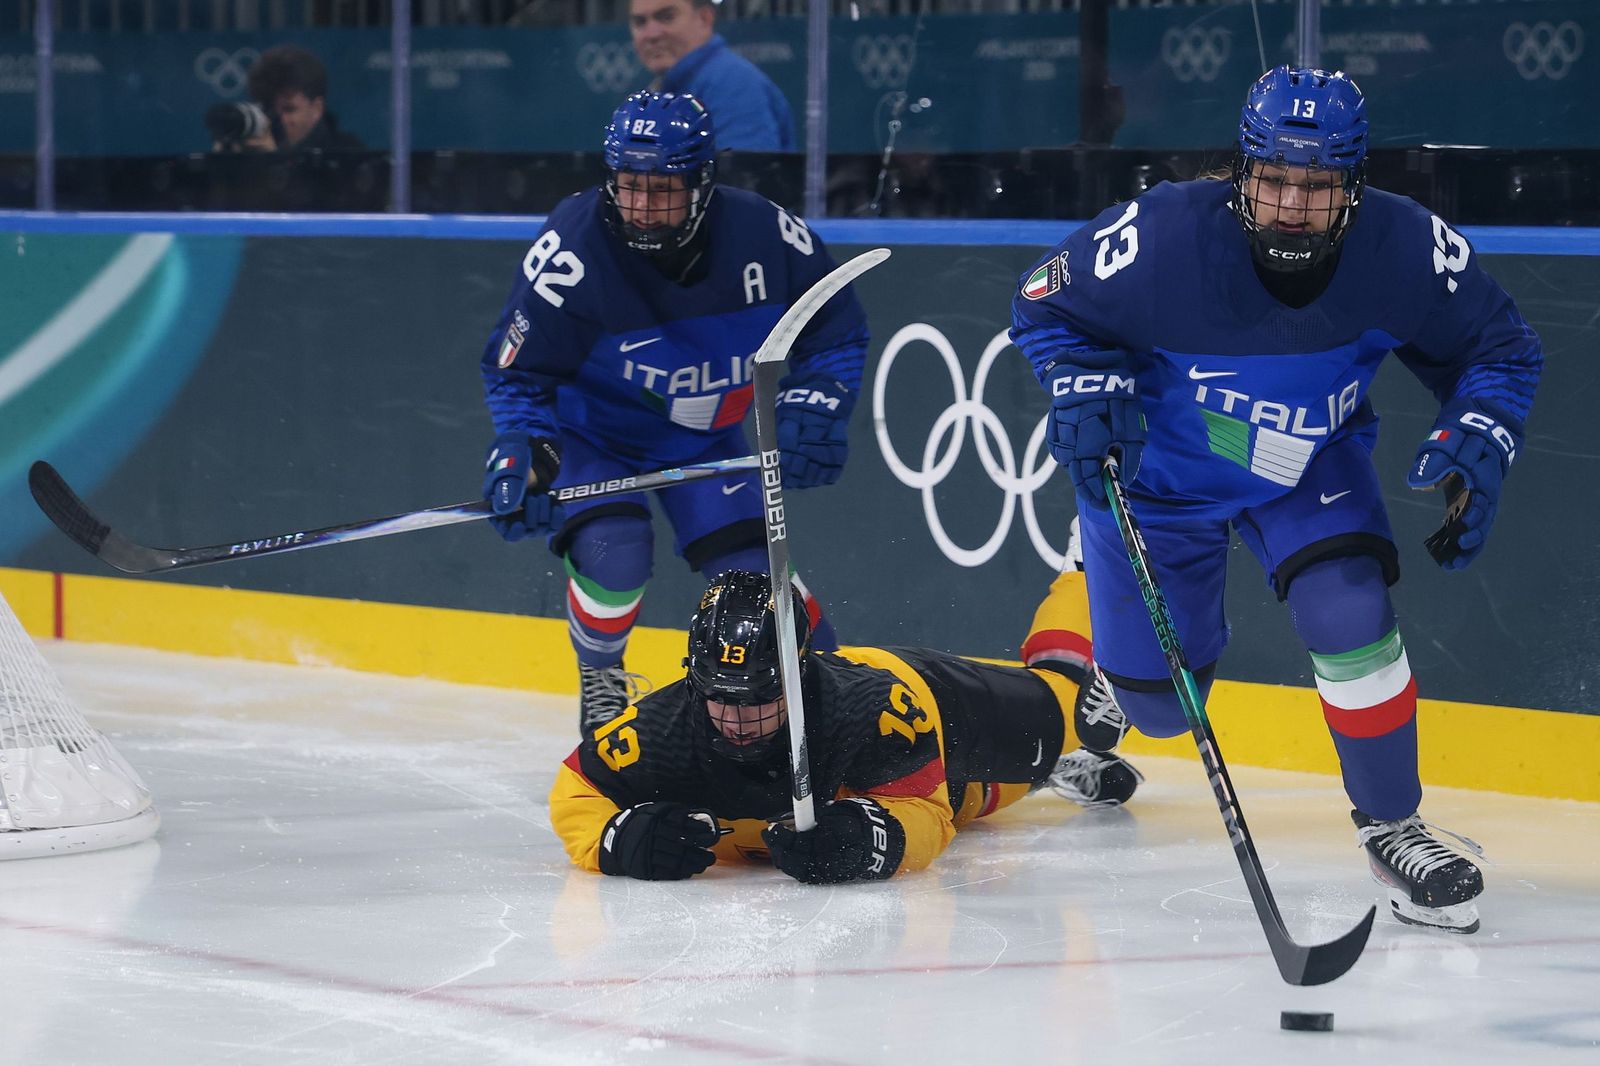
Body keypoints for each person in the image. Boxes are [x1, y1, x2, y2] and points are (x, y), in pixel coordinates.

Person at [1011, 67, 1542, 935]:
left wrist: (1483, 429)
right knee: (1161, 708)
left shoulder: (1404, 249)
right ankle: (1119, 668)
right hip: (1162, 481)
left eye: (1320, 183)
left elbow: (1503, 348)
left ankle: (1391, 824)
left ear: (1355, 184)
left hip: (1307, 466)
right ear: (1242, 170)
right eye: (1276, 179)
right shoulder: (1160, 235)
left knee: (1353, 616)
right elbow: (1040, 305)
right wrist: (1081, 379)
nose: (1295, 203)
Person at [479, 90, 868, 734]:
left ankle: (835, 696)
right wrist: (526, 451)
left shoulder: (766, 234)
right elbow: (517, 370)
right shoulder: (573, 252)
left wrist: (815, 403)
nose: (643, 208)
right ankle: (602, 670)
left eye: (664, 189)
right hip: (595, 437)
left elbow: (836, 331)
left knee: (758, 586)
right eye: (630, 186)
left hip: (707, 441)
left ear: (704, 182)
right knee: (615, 550)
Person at [550, 549, 1144, 884]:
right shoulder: (660, 727)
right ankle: (1054, 771)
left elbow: (927, 813)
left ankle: (1084, 569)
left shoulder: (872, 709)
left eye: (759, 698)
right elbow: (575, 790)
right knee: (978, 799)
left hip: (935, 714)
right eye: (720, 698)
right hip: (895, 778)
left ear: (800, 674)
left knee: (1069, 705)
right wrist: (612, 841)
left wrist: (876, 843)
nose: (737, 719)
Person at [629, 0, 795, 151]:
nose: (651, 34)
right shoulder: (664, 88)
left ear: (704, 18)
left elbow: (742, 179)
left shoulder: (733, 83)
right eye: (640, 22)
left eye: (667, 17)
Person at [246, 45, 364, 151]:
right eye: (269, 109)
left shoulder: (348, 154)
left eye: (289, 109)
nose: (277, 120)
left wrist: (271, 160)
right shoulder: (253, 148)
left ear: (316, 108)